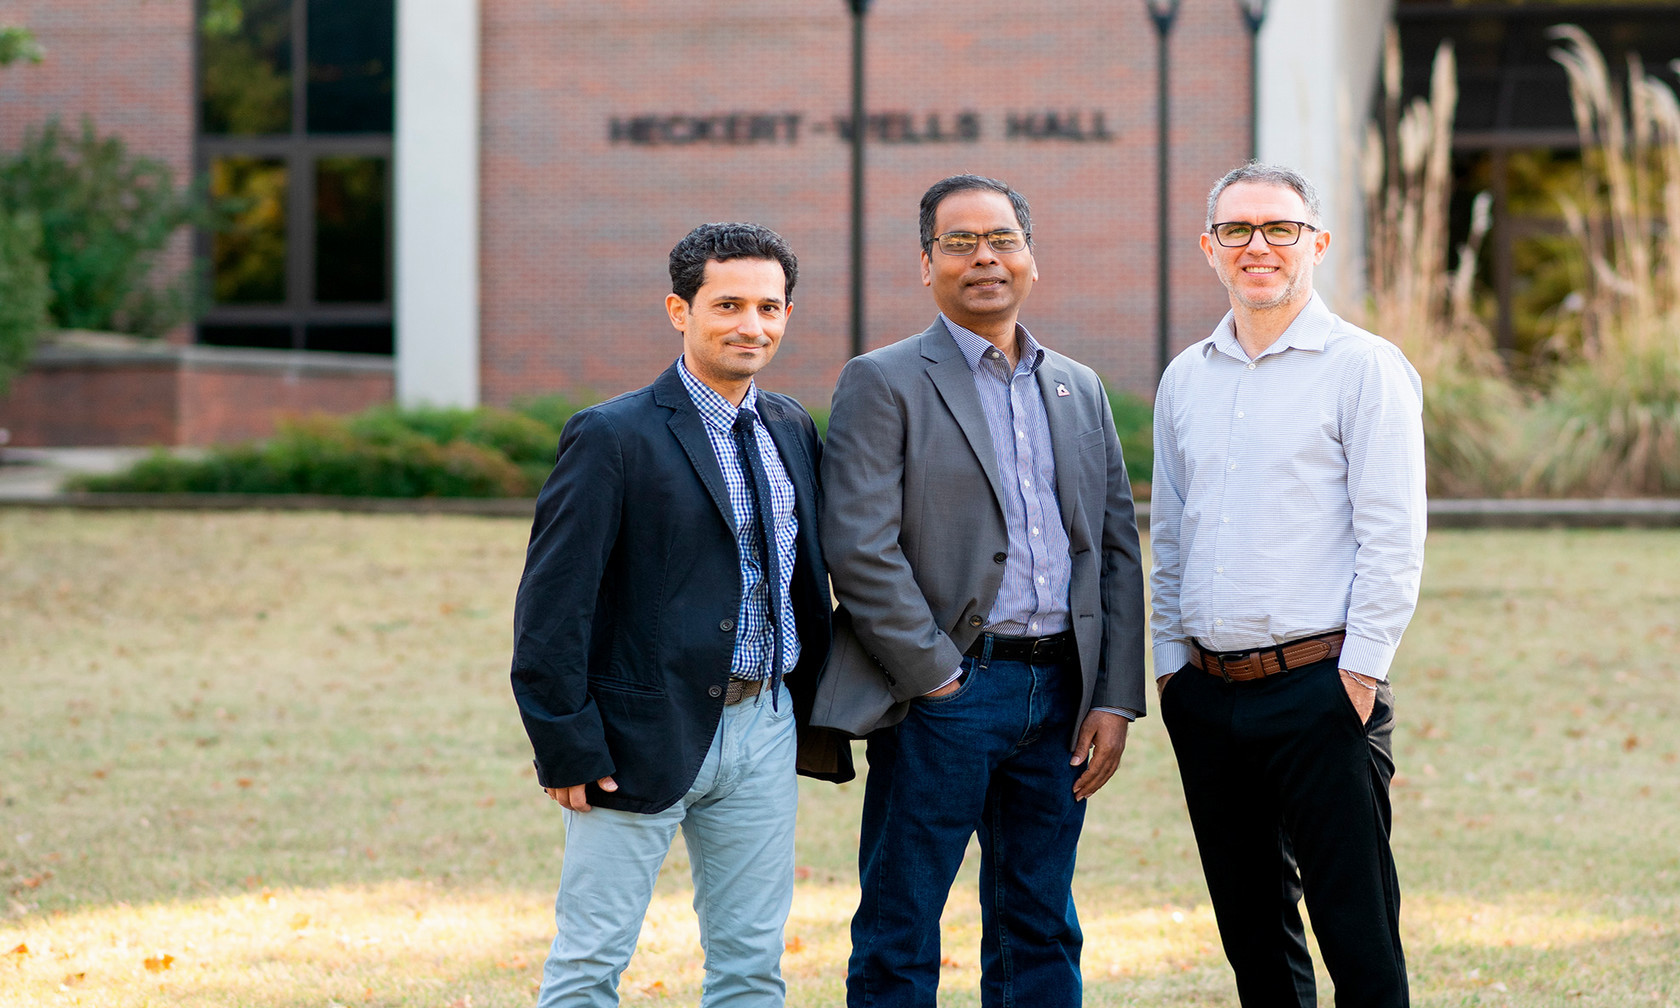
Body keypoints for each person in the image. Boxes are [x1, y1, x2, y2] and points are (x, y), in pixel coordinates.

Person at [811, 173, 1148, 1008]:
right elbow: (858, 545)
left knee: (1040, 922)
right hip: (942, 696)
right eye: (959, 243)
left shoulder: (1078, 386)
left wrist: (1113, 696)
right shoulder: (883, 380)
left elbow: (1112, 549)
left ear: (1031, 258)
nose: (984, 258)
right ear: (926, 265)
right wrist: (935, 675)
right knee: (901, 925)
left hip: (1061, 694)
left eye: (1001, 239)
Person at [510, 222, 844, 1008]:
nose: (751, 326)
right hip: (635, 735)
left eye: (770, 307)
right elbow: (553, 603)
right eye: (728, 304)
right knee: (591, 964)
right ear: (678, 309)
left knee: (751, 967)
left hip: (764, 729)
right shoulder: (612, 435)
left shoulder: (792, 427)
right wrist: (563, 741)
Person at [1150, 162, 1426, 1007]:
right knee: (1252, 938)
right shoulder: (1185, 377)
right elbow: (1169, 533)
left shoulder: (1363, 368)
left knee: (1359, 934)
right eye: (1237, 230)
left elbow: (1394, 537)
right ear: (1210, 247)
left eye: (1279, 228)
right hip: (1207, 694)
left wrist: (1360, 674)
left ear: (1318, 243)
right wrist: (1170, 669)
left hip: (1322, 687)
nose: (1258, 246)